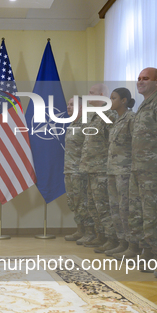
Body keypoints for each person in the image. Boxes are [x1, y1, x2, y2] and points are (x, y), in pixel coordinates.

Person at [124, 68, 157, 266]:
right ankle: (146, 250)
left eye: (146, 79)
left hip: (153, 169)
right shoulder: (142, 106)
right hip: (138, 168)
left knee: (153, 213)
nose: (140, 82)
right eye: (139, 78)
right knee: (137, 211)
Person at [95, 88, 136, 256]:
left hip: (125, 171)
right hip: (112, 170)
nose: (110, 101)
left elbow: (136, 143)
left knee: (126, 208)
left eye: (114, 98)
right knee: (115, 207)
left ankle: (132, 246)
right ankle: (121, 241)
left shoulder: (131, 118)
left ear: (124, 100)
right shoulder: (116, 120)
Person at [79, 84, 118, 248]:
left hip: (102, 169)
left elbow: (114, 141)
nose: (87, 95)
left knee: (103, 205)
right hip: (90, 168)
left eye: (91, 92)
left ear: (102, 95)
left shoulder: (109, 114)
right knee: (94, 205)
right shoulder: (93, 116)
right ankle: (100, 235)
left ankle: (112, 238)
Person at [64, 96, 96, 244]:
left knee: (83, 201)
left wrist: (83, 167)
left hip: (80, 170)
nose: (69, 107)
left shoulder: (86, 123)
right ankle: (80, 229)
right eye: (69, 104)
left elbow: (89, 147)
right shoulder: (73, 123)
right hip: (70, 169)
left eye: (72, 104)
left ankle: (90, 232)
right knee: (74, 202)